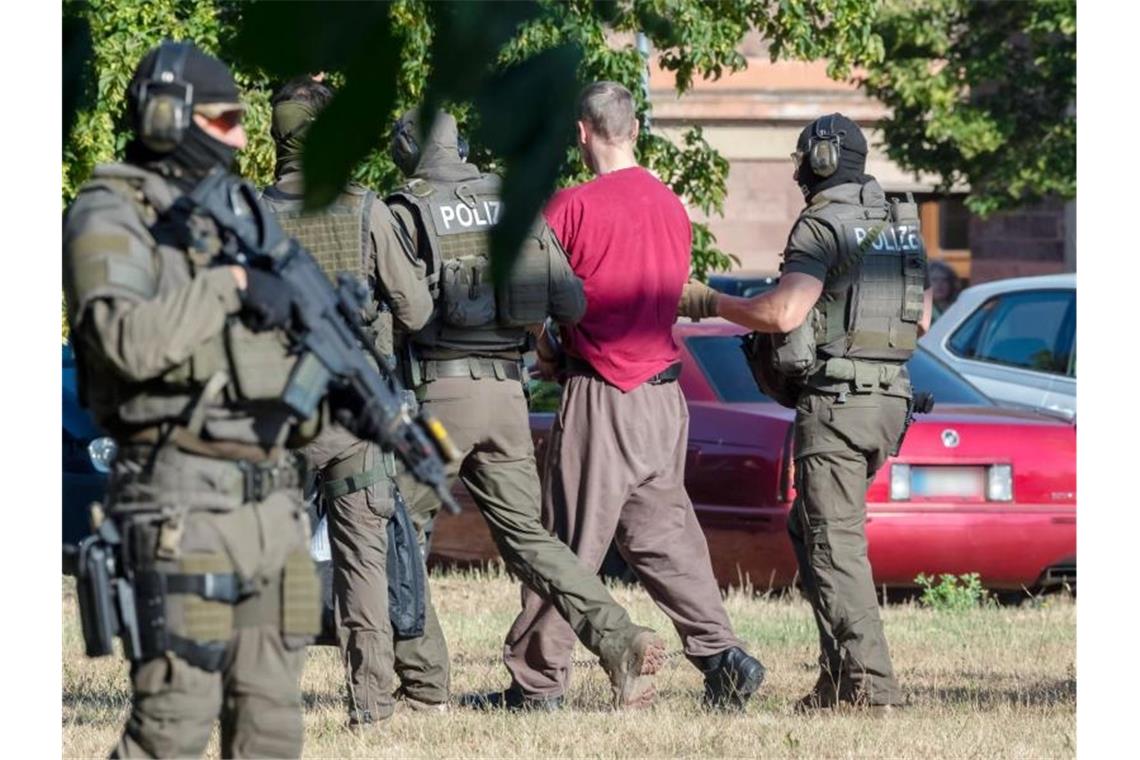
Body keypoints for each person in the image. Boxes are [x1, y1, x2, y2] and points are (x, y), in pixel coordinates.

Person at [62, 42, 324, 757]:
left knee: (273, 724)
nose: (243, 136)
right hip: (180, 500)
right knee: (173, 726)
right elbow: (127, 342)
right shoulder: (109, 211)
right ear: (168, 117)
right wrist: (230, 288)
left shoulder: (238, 210)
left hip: (271, 500)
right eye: (227, 118)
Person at [385, 108, 667, 711]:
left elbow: (401, 316)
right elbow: (570, 300)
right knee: (530, 538)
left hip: (440, 404)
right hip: (507, 402)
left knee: (396, 531)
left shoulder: (405, 208)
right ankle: (618, 638)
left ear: (408, 151)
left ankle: (426, 684)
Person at [501, 81, 766, 712]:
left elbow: (528, 294)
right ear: (635, 131)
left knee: (566, 542)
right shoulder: (671, 206)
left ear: (582, 134)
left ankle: (538, 684)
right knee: (666, 537)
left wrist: (543, 349)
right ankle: (722, 656)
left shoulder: (571, 207)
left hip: (604, 394)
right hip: (665, 399)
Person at [679, 112, 933, 713]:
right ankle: (839, 680)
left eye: (800, 159)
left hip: (838, 408)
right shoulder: (897, 221)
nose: (796, 170)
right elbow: (919, 320)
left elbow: (784, 314)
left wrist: (709, 300)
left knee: (834, 543)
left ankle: (873, 690)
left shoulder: (821, 224)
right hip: (887, 401)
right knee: (811, 531)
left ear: (818, 161)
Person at [260, 77, 445, 728]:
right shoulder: (367, 210)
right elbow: (417, 310)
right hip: (353, 417)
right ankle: (370, 705)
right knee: (364, 562)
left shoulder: (247, 216)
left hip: (275, 419)